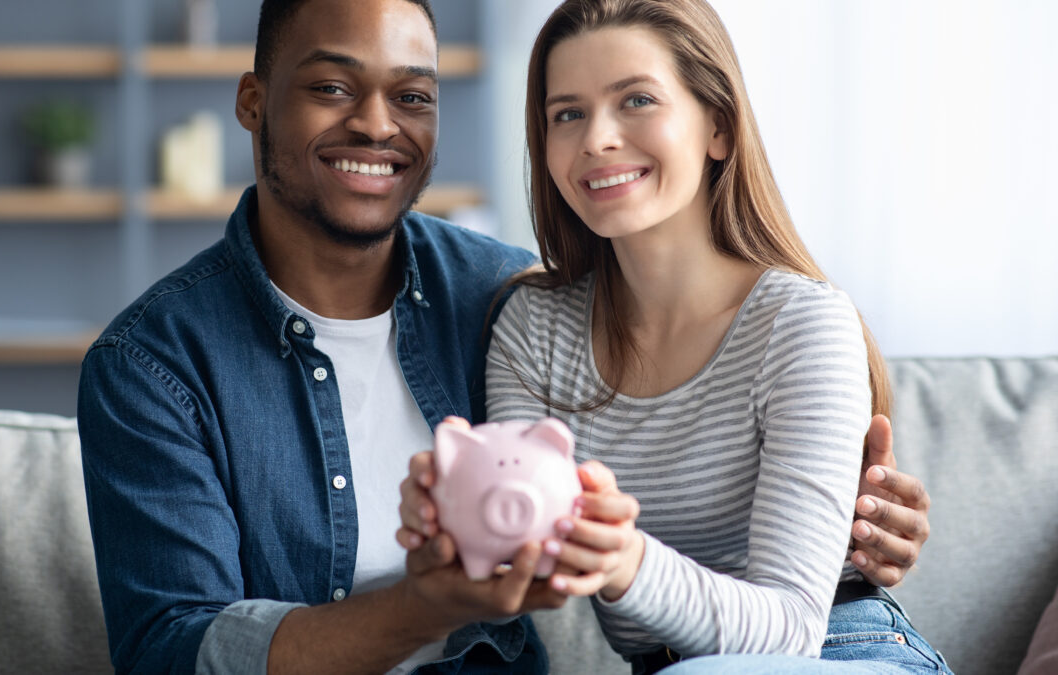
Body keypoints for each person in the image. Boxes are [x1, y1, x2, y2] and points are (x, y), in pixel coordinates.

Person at [77, 0, 932, 672]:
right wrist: (452, 574)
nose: (378, 124)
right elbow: (172, 649)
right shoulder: (154, 365)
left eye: (412, 96)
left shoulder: (495, 292)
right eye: (332, 87)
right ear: (254, 102)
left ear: (717, 124)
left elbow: (781, 614)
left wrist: (853, 529)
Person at [397, 0, 950, 672]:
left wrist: (625, 557)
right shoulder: (532, 328)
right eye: (566, 113)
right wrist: (459, 520)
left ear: (718, 126)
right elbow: (527, 551)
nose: (596, 137)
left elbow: (792, 628)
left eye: (635, 99)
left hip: (842, 649)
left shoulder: (802, 322)